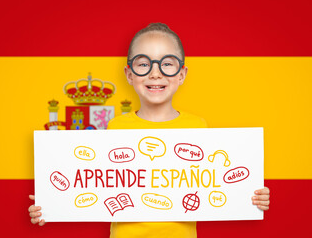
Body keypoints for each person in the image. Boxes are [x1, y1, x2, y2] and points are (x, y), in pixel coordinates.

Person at [28, 22, 270, 237]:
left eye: (167, 63)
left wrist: (251, 196)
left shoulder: (198, 127)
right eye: (144, 63)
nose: (156, 73)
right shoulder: (115, 127)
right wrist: (50, 201)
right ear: (129, 74)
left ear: (182, 74)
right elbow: (94, 184)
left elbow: (217, 184)